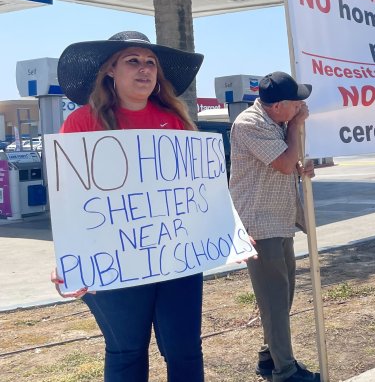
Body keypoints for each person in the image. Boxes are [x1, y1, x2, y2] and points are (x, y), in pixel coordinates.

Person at [50, 31, 205, 381]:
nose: (144, 69)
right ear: (110, 71)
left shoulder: (177, 122)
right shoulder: (81, 124)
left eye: (151, 63)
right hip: (114, 259)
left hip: (175, 256)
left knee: (185, 349)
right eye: (132, 61)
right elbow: (69, 199)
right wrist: (67, 255)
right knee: (126, 351)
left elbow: (199, 191)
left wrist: (230, 232)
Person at [228, 71, 319, 382]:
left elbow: (286, 164)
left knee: (283, 294)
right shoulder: (250, 123)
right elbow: (281, 163)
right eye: (296, 103)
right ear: (279, 105)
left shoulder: (275, 122)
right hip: (260, 223)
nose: (301, 108)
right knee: (275, 299)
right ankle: (285, 370)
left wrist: (300, 166)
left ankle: (270, 356)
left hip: (278, 219)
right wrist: (295, 128)